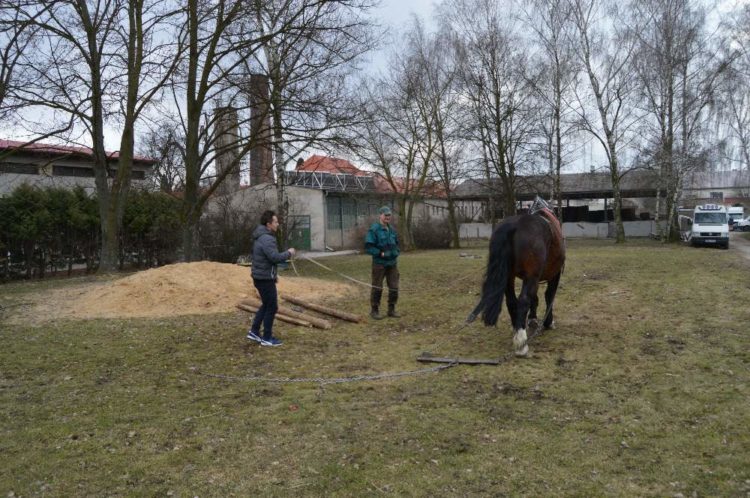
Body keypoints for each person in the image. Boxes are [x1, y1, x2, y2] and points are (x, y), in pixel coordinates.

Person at [247, 210, 295, 347]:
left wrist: (274, 275)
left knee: (266, 304)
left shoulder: (261, 236)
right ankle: (267, 338)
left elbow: (266, 260)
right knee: (272, 306)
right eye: (275, 222)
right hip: (264, 279)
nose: (277, 224)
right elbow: (274, 257)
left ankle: (255, 331)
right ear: (268, 224)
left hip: (262, 277)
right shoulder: (267, 238)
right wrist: (289, 253)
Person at [364, 206, 401, 320]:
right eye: (385, 215)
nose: (387, 217)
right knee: (377, 287)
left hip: (392, 263)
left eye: (389, 215)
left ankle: (391, 309)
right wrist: (380, 253)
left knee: (394, 287)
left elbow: (397, 244)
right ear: (380, 215)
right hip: (379, 264)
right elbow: (368, 247)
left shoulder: (392, 230)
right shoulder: (374, 230)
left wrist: (396, 252)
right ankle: (374, 311)